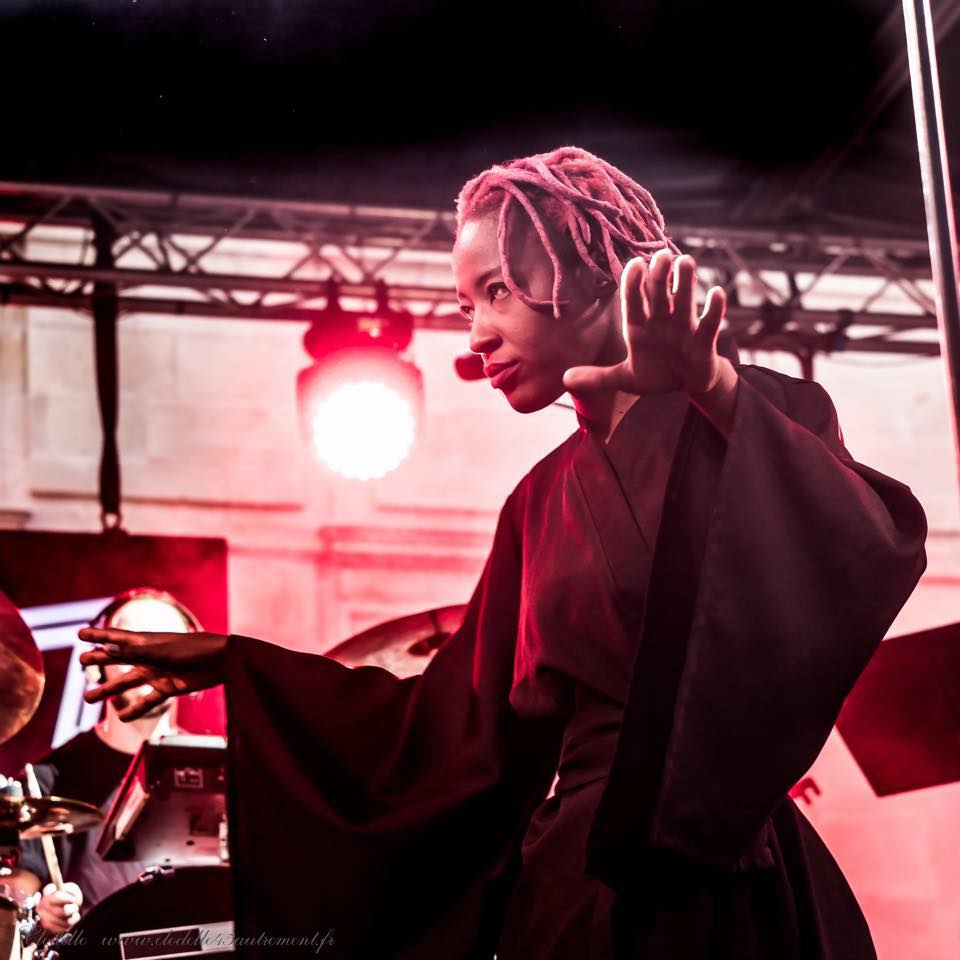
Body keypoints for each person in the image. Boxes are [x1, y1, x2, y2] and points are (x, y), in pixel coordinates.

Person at [78, 146, 927, 959]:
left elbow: (863, 547)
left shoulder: (754, 415)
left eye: (496, 292)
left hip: (741, 891)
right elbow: (451, 732)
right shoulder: (536, 503)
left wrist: (711, 386)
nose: (476, 334)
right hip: (579, 891)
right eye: (464, 307)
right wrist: (240, 663)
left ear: (588, 276)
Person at [8, 660, 178, 936]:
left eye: (160, 649)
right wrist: (43, 913)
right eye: (129, 652)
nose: (145, 662)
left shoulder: (225, 768)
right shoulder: (46, 780)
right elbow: (17, 900)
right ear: (97, 669)